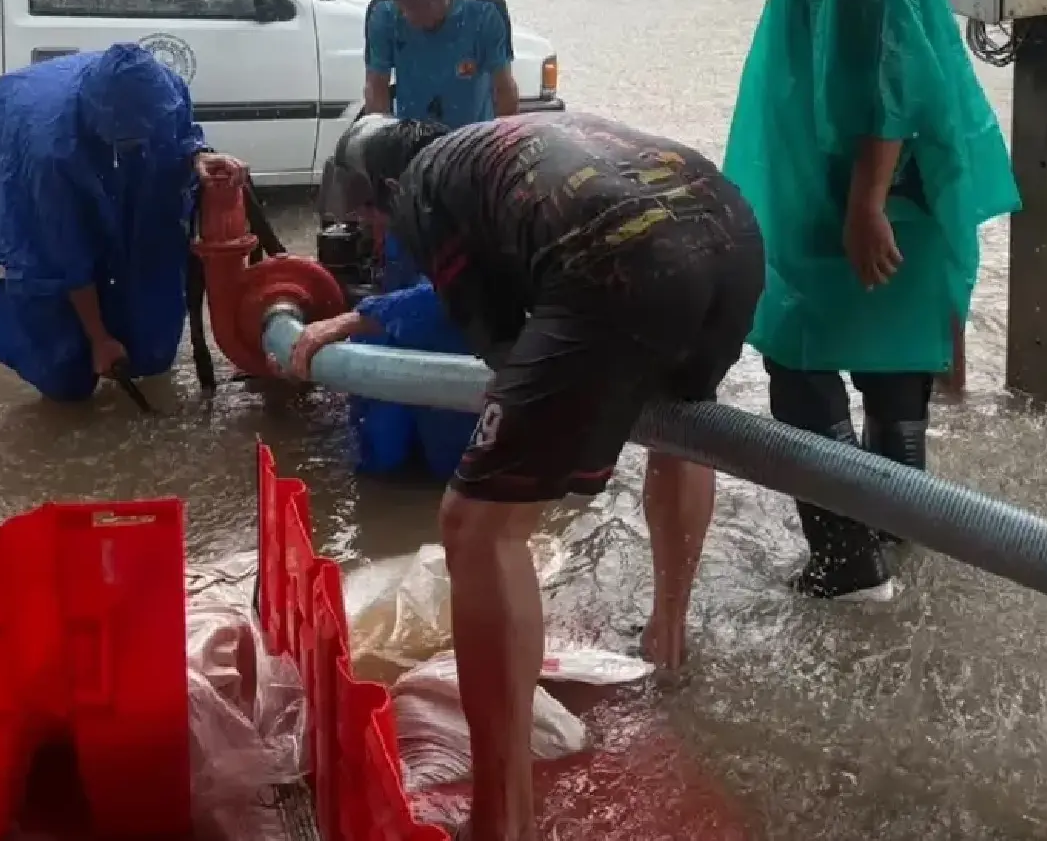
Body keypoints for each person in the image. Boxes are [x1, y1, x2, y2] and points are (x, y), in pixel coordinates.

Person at [287, 112, 763, 841]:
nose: (372, 226)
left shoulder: (421, 190)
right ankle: (668, 643)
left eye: (368, 213)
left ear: (385, 188)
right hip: (730, 233)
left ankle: (501, 818)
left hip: (622, 256)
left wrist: (533, 418)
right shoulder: (495, 145)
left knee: (476, 524)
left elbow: (497, 339)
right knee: (681, 424)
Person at [686, 0, 1021, 601]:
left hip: (873, 182)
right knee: (894, 350)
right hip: (867, 176)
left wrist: (865, 202)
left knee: (797, 354)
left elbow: (885, 73)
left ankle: (848, 560)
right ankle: (900, 532)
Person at [0, 43, 241, 402]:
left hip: (84, 135)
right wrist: (99, 338)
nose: (143, 141)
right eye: (132, 137)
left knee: (150, 321)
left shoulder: (165, 90)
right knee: (63, 366)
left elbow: (177, 136)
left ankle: (136, 353)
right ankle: (73, 372)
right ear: (104, 125)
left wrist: (199, 156)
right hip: (9, 139)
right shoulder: (48, 154)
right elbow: (62, 254)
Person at [365, 0, 519, 126]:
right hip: (411, 138)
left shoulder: (485, 11)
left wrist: (500, 145)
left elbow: (503, 89)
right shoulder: (383, 13)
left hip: (471, 136)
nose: (407, 15)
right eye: (400, 5)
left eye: (416, 6)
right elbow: (376, 88)